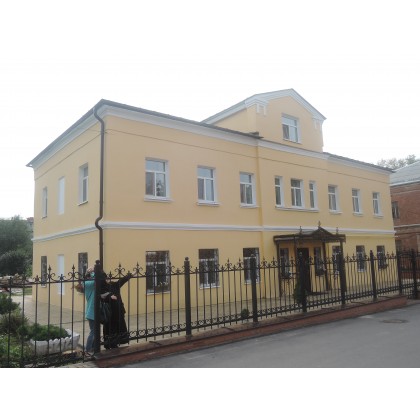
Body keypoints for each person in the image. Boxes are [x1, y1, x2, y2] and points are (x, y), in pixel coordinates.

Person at [94, 260, 132, 349]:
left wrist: (130, 275)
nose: (108, 279)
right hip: (109, 313)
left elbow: (121, 281)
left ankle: (115, 344)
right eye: (106, 279)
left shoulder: (113, 285)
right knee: (110, 329)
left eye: (108, 278)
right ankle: (109, 344)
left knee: (118, 328)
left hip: (118, 311)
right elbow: (100, 296)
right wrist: (109, 296)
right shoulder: (101, 288)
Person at [82, 267, 96, 355]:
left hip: (89, 312)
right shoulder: (91, 283)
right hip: (93, 311)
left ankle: (93, 347)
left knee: (94, 330)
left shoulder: (84, 283)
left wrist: (88, 272)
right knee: (93, 331)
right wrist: (94, 271)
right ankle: (88, 349)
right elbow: (97, 279)